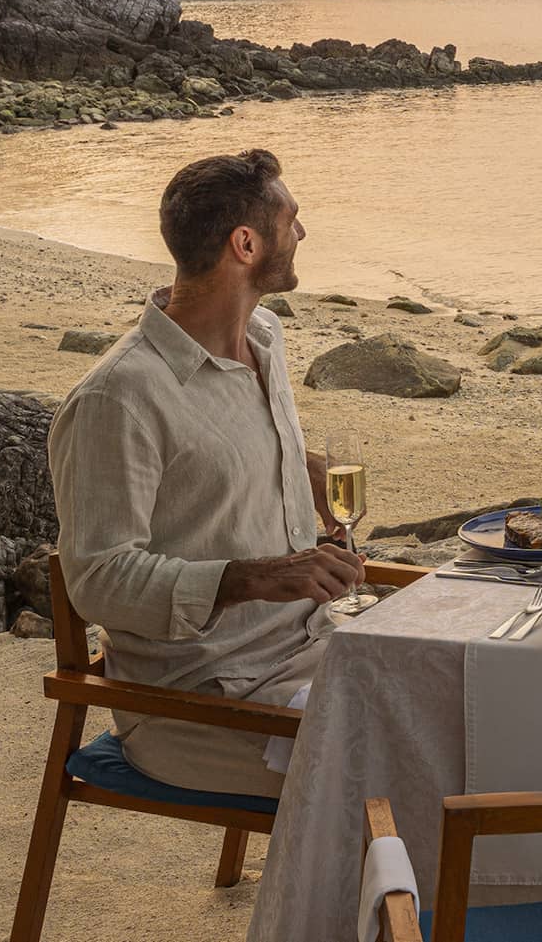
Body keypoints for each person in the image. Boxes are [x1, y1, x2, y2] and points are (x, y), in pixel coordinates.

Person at [48, 148, 363, 798]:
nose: (301, 233)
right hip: (198, 702)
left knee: (470, 701)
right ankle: (369, 900)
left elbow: (231, 459)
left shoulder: (266, 338)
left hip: (310, 648)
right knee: (410, 763)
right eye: (291, 219)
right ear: (245, 244)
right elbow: (100, 580)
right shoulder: (120, 397)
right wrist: (262, 576)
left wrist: (305, 478)